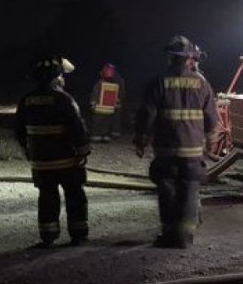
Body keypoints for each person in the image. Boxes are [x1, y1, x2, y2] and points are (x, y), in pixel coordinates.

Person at [133, 36, 217, 248]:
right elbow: (211, 117)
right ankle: (185, 236)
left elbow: (146, 114)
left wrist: (141, 140)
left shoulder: (158, 82)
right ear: (189, 58)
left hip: (166, 150)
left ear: (169, 58)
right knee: (189, 190)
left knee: (167, 189)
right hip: (192, 151)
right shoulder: (202, 83)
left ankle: (169, 233)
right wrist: (211, 140)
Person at [15, 56, 91, 248]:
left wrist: (28, 150)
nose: (63, 80)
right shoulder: (64, 99)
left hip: (41, 162)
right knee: (75, 195)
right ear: (56, 78)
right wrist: (83, 150)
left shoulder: (26, 100)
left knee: (47, 197)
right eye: (61, 76)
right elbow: (77, 126)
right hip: (66, 160)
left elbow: (18, 130)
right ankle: (78, 234)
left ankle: (48, 236)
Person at [90, 63, 124, 142]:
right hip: (109, 109)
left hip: (99, 109)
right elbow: (118, 96)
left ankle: (96, 136)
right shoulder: (115, 86)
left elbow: (94, 94)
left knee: (97, 123)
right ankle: (105, 136)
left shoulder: (99, 84)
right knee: (106, 123)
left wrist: (92, 104)